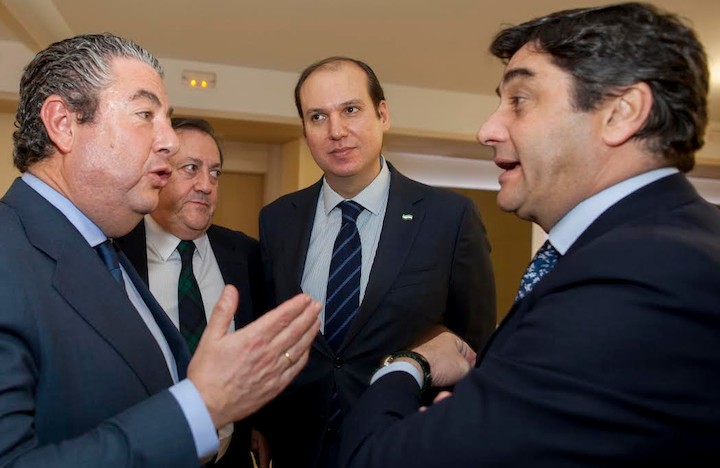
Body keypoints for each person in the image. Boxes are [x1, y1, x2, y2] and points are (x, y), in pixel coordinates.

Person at [339, 3, 720, 466]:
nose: (487, 130)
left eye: (519, 100)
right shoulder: (669, 243)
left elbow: (380, 459)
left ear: (622, 113)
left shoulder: (641, 278)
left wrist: (405, 368)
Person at [0, 33, 321, 467]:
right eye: (145, 114)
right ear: (63, 123)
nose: (169, 141)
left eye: (166, 119)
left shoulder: (106, 253)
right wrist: (201, 408)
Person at [257, 56, 497, 467]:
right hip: (299, 446)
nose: (336, 131)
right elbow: (270, 334)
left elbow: (473, 345)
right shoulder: (278, 219)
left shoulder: (448, 218)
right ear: (304, 129)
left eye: (351, 109)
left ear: (382, 114)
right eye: (318, 117)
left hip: (404, 444)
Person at [116, 117, 266, 467]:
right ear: (158, 173)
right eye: (191, 168)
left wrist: (260, 421)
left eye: (215, 173)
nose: (206, 185)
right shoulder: (114, 254)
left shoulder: (245, 255)